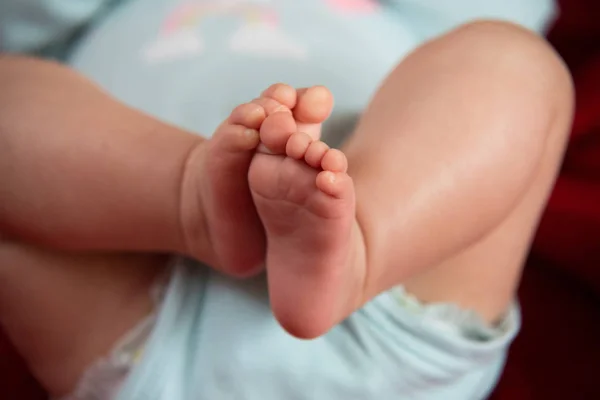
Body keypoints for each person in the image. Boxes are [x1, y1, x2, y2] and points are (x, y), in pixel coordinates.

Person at [0, 0, 572, 399]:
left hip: (151, 320)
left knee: (508, 56)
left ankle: (353, 244)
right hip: (146, 269)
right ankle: (195, 202)